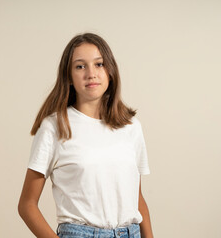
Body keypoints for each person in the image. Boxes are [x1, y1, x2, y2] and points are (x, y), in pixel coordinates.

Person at [18, 32, 154, 238]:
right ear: (69, 76)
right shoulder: (55, 127)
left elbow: (136, 198)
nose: (91, 73)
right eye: (80, 66)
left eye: (99, 64)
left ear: (110, 71)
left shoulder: (131, 126)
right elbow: (27, 204)